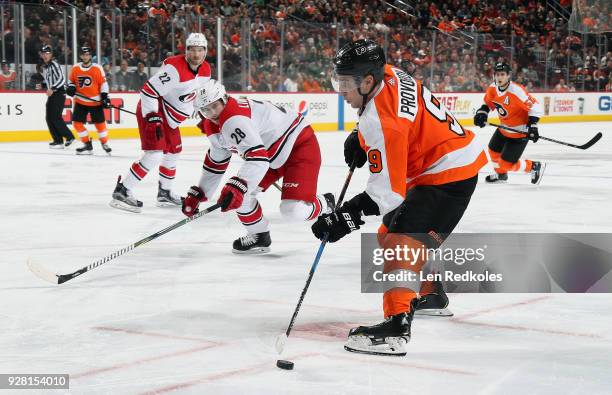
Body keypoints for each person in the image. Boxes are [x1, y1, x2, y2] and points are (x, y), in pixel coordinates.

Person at [310, 39, 487, 356]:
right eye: (338, 80)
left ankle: (396, 327)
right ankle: (429, 293)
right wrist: (360, 137)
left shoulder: (381, 121)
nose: (341, 90)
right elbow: (394, 114)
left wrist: (343, 219)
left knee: (401, 241)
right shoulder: (389, 74)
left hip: (449, 175)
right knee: (388, 232)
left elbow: (388, 194)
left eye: (346, 83)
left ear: (367, 81)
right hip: (437, 164)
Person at [182, 80, 335, 254]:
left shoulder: (233, 119)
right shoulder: (213, 124)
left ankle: (325, 202)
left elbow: (257, 157)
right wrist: (201, 193)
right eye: (205, 110)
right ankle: (259, 235)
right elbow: (217, 159)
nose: (212, 113)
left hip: (298, 145)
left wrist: (239, 185)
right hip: (268, 155)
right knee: (241, 197)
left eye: (214, 106)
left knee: (293, 211)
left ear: (224, 99)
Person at [110, 33, 211, 213]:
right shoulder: (175, 69)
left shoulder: (206, 70)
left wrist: (206, 116)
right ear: (186, 51)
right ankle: (122, 191)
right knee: (155, 153)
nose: (196, 54)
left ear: (205, 51)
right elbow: (148, 91)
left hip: (171, 119)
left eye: (200, 50)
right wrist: (152, 117)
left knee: (174, 151)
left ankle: (164, 192)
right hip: (155, 113)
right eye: (193, 50)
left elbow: (197, 96)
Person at [473, 62, 545, 184]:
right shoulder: (492, 88)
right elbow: (487, 104)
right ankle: (501, 175)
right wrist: (482, 114)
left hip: (519, 133)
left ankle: (533, 166)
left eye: (502, 74)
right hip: (503, 129)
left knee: (506, 164)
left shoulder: (517, 91)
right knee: (493, 151)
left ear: (508, 76)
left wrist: (533, 126)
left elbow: (536, 107)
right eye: (497, 74)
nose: (499, 77)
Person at [66, 46, 112, 155]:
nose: (85, 56)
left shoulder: (97, 68)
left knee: (100, 125)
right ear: (80, 56)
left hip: (95, 102)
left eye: (87, 54)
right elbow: (71, 81)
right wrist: (71, 88)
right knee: (77, 124)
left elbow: (103, 84)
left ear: (90, 56)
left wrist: (105, 97)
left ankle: (104, 143)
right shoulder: (75, 68)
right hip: (80, 101)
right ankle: (87, 144)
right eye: (83, 54)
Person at [40, 45, 75, 149]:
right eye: (44, 53)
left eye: (47, 53)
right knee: (49, 118)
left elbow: (61, 79)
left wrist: (53, 88)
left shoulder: (54, 64)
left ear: (51, 54)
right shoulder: (46, 67)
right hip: (53, 93)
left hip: (59, 93)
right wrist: (43, 85)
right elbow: (50, 81)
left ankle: (69, 137)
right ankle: (58, 140)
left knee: (55, 117)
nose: (45, 55)